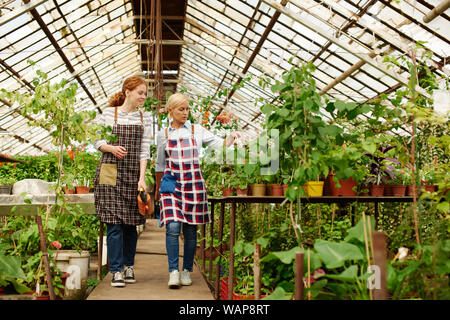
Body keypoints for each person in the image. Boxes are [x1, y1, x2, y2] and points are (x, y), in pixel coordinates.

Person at [155, 93, 241, 289]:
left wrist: (231, 136)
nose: (185, 113)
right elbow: (160, 165)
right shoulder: (163, 134)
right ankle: (173, 271)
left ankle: (186, 271)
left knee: (191, 230)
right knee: (173, 227)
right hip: (171, 186)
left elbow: (220, 144)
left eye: (187, 109)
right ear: (171, 111)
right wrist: (158, 192)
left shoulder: (197, 130)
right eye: (181, 109)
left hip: (193, 185)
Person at [93, 76, 152, 287]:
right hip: (109, 171)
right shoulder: (109, 113)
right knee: (114, 223)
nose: (144, 97)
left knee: (130, 223)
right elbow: (96, 140)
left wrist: (142, 178)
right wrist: (110, 148)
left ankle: (129, 266)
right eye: (140, 92)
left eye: (145, 93)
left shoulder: (146, 117)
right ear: (127, 92)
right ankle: (116, 270)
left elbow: (144, 151)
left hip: (132, 173)